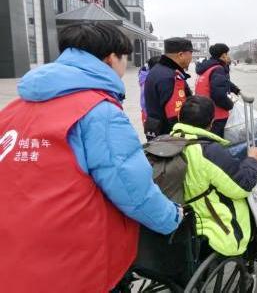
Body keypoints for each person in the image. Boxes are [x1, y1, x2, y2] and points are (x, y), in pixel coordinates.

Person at [0, 23, 182, 292]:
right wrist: (171, 218)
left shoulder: (14, 108)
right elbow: (132, 189)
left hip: (14, 252)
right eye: (124, 58)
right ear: (110, 59)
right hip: (73, 257)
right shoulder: (99, 112)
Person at [171, 96, 257, 257]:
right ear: (211, 123)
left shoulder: (170, 141)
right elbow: (242, 186)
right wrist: (253, 160)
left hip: (179, 215)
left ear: (180, 118)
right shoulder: (208, 151)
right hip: (208, 220)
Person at [144, 37, 195, 139]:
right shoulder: (171, 77)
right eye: (191, 53)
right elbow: (176, 116)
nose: (191, 58)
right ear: (181, 55)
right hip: (169, 137)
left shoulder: (157, 70)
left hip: (155, 130)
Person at [195, 43, 241, 137]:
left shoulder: (208, 67)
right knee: (216, 139)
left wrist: (236, 90)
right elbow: (218, 95)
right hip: (217, 114)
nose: (228, 56)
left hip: (206, 111)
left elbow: (223, 82)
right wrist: (230, 105)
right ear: (223, 55)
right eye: (227, 54)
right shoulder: (218, 69)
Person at [139, 55, 161, 124]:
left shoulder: (145, 76)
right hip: (150, 117)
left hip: (148, 115)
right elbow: (144, 103)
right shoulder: (148, 82)